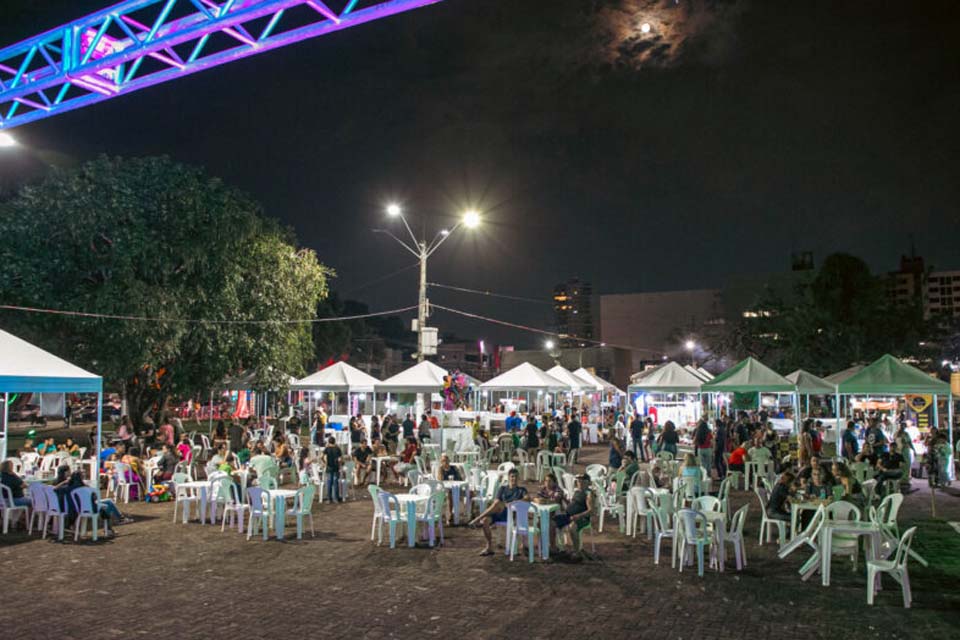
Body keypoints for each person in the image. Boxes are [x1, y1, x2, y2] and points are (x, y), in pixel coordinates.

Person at [469, 468, 528, 556]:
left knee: (498, 503)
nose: (514, 479)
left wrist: (512, 503)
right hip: (498, 512)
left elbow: (527, 498)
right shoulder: (503, 488)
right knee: (486, 520)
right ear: (508, 478)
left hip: (510, 515)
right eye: (512, 477)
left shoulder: (521, 490)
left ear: (518, 478)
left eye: (515, 477)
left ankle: (477, 519)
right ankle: (489, 547)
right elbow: (495, 503)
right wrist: (503, 505)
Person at [552, 473, 594, 558]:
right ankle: (558, 547)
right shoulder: (577, 491)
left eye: (582, 481)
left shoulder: (588, 494)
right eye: (578, 481)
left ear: (588, 482)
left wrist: (578, 516)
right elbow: (572, 504)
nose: (580, 483)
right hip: (569, 515)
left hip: (582, 518)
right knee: (552, 523)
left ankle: (576, 551)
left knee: (572, 527)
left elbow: (591, 511)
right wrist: (564, 499)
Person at [322, 437, 343, 503]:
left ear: (328, 442)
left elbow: (321, 457)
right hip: (336, 467)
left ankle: (329, 499)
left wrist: (325, 463)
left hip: (329, 467)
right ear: (334, 441)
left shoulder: (327, 449)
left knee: (329, 483)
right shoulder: (338, 449)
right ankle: (336, 498)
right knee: (335, 482)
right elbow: (340, 459)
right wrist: (340, 465)